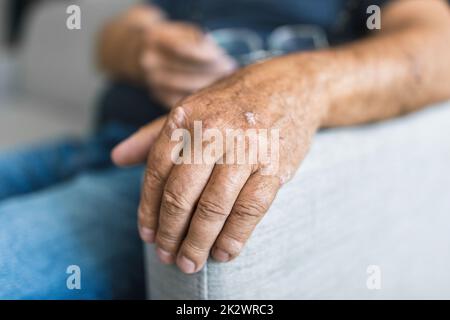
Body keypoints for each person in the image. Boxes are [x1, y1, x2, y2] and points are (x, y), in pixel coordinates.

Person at [1, 0, 450, 299]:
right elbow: (115, 36)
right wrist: (143, 45)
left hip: (160, 167)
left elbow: (437, 46)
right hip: (90, 144)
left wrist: (289, 85)